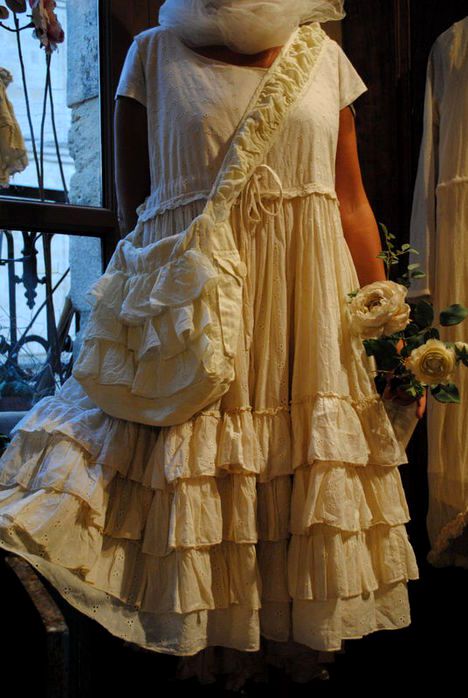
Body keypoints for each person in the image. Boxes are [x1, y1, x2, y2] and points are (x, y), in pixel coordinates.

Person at [0, 0, 425, 691]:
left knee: (292, 477)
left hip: (306, 316)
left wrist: (391, 330)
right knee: (182, 482)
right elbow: (135, 215)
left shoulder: (323, 57)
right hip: (194, 320)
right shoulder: (152, 54)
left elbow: (351, 204)